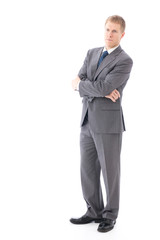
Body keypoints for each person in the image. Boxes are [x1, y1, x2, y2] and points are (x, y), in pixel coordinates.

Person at [70, 15, 133, 233]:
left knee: (110, 171)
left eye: (114, 31)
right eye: (107, 29)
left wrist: (88, 86)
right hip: (87, 120)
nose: (109, 34)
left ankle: (110, 215)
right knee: (87, 170)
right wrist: (98, 89)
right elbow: (75, 81)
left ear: (121, 34)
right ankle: (93, 211)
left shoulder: (125, 60)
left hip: (108, 124)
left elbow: (104, 86)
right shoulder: (92, 53)